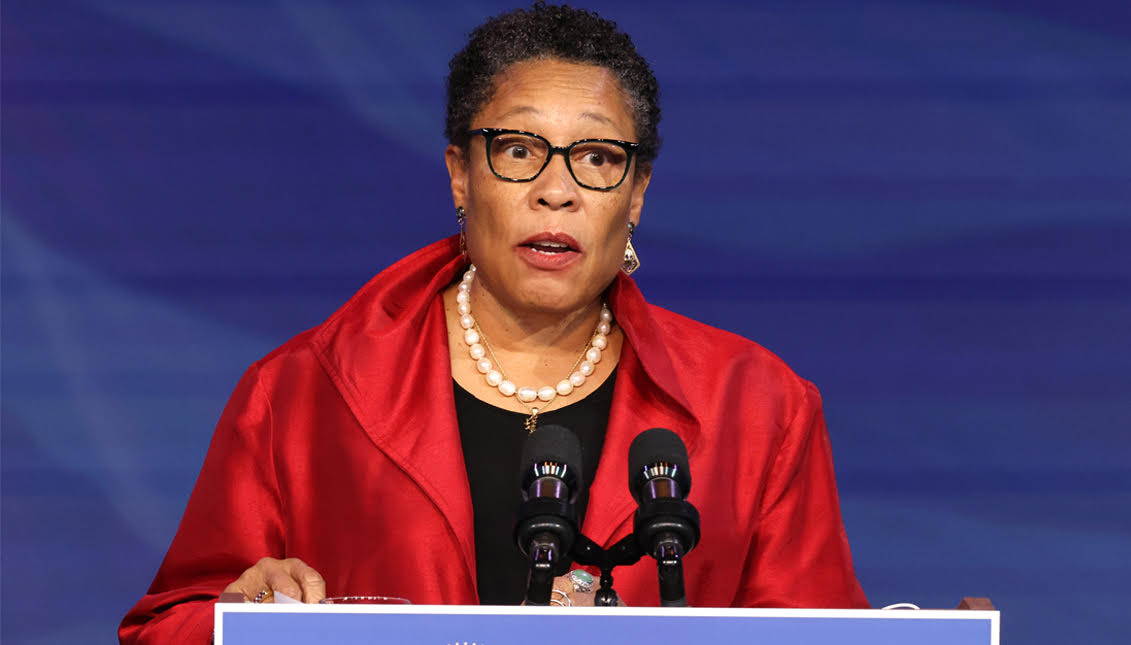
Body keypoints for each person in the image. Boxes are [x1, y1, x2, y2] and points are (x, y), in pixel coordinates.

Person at [120, 3, 867, 642]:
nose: (555, 192)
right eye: (518, 150)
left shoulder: (756, 406)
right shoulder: (303, 391)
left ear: (636, 194)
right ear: (458, 173)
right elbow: (165, 625)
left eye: (598, 159)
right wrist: (242, 619)